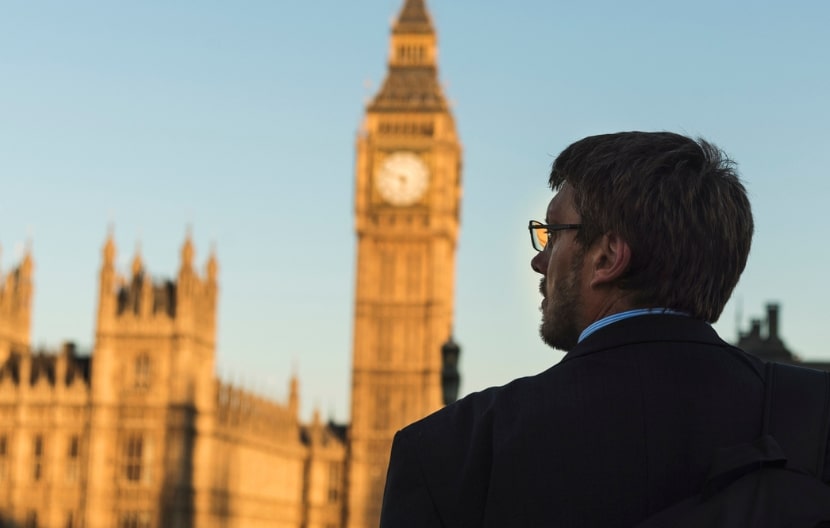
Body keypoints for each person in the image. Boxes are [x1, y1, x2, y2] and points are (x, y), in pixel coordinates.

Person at [379, 131, 830, 527]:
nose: (539, 259)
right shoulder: (814, 417)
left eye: (552, 234)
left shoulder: (449, 449)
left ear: (608, 257)